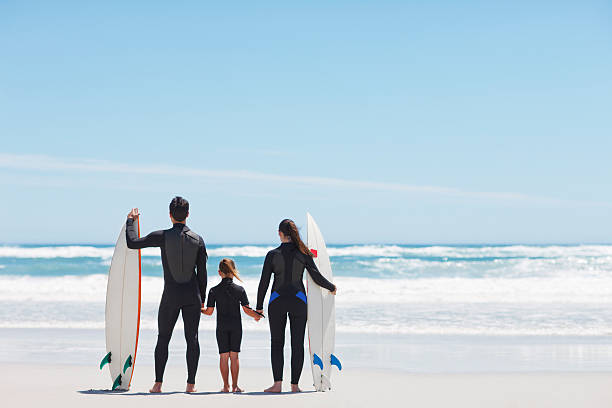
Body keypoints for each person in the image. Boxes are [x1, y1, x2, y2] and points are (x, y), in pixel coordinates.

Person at [125, 196, 207, 393]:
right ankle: (190, 385)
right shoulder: (198, 240)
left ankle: (158, 384)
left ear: (170, 215)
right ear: (188, 214)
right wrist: (202, 300)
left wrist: (130, 221)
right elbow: (202, 275)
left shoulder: (161, 236)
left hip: (171, 295)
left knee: (163, 338)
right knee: (192, 338)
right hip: (192, 296)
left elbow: (132, 243)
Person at [256, 219, 337, 393]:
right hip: (298, 301)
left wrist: (259, 306)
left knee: (277, 343)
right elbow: (315, 276)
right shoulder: (303, 252)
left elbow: (264, 282)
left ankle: (277, 385)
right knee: (297, 343)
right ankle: (294, 386)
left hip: (277, 301)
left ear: (279, 233)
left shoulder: (272, 254)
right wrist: (331, 287)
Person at [202, 258, 262, 392]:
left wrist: (199, 309)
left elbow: (209, 312)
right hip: (236, 327)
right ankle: (235, 386)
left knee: (223, 356)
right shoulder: (239, 290)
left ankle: (225, 386)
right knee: (234, 356)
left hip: (221, 327)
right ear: (233, 271)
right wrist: (256, 316)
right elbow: (247, 310)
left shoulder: (214, 291)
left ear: (219, 272)